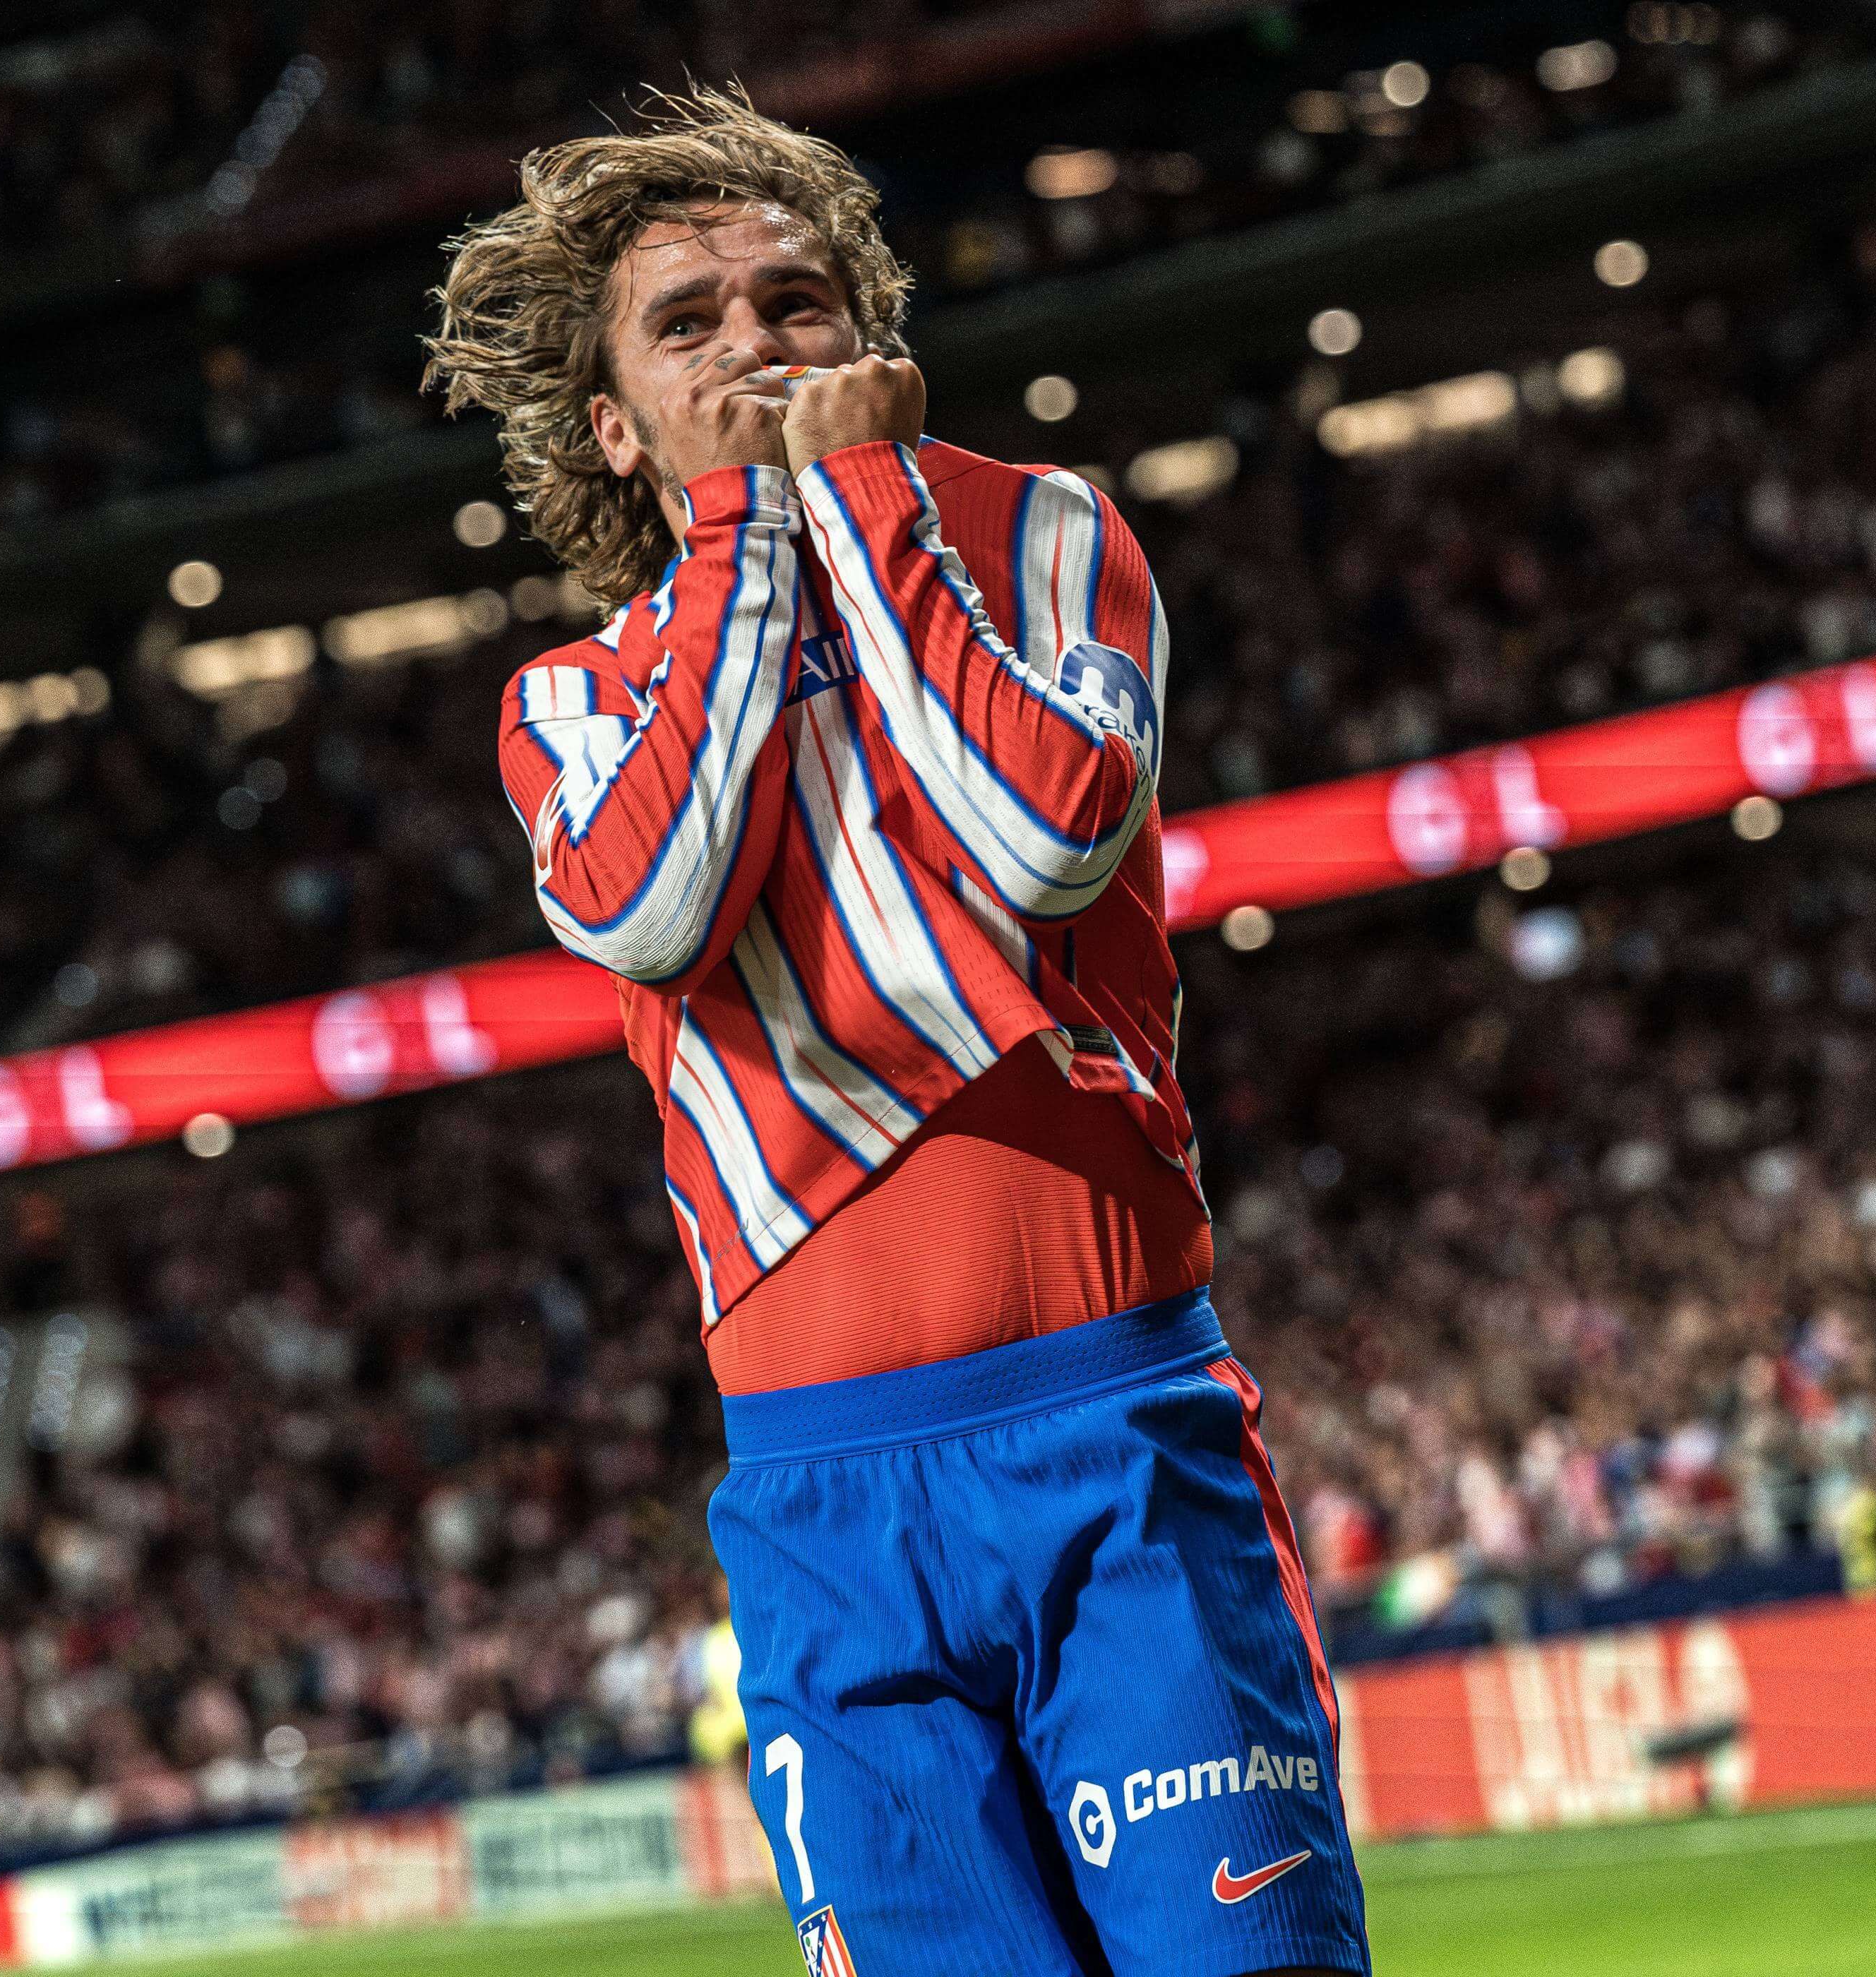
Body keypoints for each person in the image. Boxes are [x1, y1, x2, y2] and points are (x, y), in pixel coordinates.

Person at [425, 87, 1368, 1976]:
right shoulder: (572, 701)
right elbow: (650, 905)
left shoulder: (1048, 540)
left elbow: (1050, 835)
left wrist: (858, 508)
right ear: (614, 428)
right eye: (686, 327)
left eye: (794, 302)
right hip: (822, 1511)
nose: (752, 345)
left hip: (1117, 1442)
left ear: (873, 344)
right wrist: (745, 545)